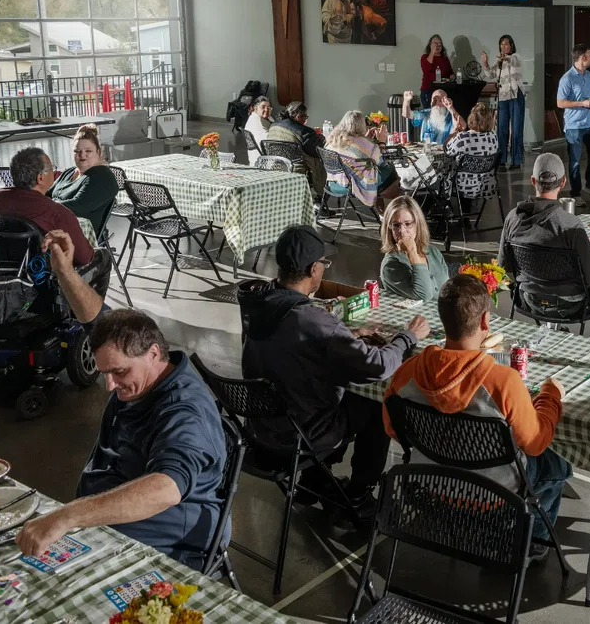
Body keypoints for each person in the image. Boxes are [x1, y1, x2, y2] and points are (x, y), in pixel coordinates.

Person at [237, 225, 430, 514]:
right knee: (377, 406)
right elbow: (377, 367)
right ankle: (359, 493)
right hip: (300, 434)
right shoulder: (311, 319)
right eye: (323, 264)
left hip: (260, 428)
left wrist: (344, 336)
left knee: (347, 398)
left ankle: (314, 479)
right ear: (313, 269)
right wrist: (408, 337)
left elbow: (293, 344)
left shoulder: (257, 303)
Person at [16, 309, 228, 569]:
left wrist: (69, 516)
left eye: (119, 372)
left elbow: (167, 488)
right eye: (104, 373)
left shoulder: (185, 412)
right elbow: (92, 315)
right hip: (116, 517)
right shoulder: (140, 384)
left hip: (173, 537)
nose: (110, 385)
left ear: (153, 354)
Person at [383, 275, 571, 558]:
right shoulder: (503, 381)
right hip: (493, 496)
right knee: (556, 463)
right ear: (485, 320)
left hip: (428, 481)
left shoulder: (406, 372)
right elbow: (535, 444)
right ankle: (533, 543)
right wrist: (550, 396)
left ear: (442, 319)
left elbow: (394, 430)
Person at [498, 153, 590, 340]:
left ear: (533, 181)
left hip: (527, 299)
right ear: (563, 182)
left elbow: (503, 266)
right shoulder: (570, 225)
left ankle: (557, 332)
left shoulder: (512, 218)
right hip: (571, 306)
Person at [0, 147, 93, 265]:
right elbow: (83, 258)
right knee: (102, 256)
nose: (54, 172)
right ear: (40, 178)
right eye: (51, 169)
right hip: (38, 273)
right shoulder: (57, 212)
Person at [46, 124, 117, 233]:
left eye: (88, 151)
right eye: (77, 151)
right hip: (52, 224)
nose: (82, 155)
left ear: (98, 152)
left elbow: (78, 207)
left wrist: (45, 206)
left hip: (77, 235)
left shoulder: (103, 176)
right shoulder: (69, 172)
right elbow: (46, 195)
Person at [556, 44, 590, 208]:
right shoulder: (567, 78)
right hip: (574, 126)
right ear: (583, 57)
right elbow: (560, 103)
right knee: (575, 161)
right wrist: (581, 103)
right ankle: (575, 193)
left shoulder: (589, 76)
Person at [325, 110, 401, 209]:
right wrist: (381, 142)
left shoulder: (333, 140)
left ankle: (381, 210)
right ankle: (391, 209)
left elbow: (353, 150)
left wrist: (366, 139)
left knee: (376, 173)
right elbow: (381, 162)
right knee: (390, 174)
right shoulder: (364, 144)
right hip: (354, 185)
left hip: (334, 183)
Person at [380, 196, 450, 301]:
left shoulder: (433, 252)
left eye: (407, 224)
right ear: (389, 228)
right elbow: (424, 295)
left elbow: (448, 289)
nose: (402, 231)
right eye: (396, 225)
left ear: (418, 224)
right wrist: (412, 253)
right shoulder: (390, 266)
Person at [481, 35, 525, 170]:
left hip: (516, 96)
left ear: (511, 46)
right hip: (503, 97)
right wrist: (485, 63)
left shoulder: (516, 57)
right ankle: (501, 160)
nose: (503, 46)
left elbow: (513, 60)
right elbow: (490, 74)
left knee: (516, 129)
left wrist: (505, 58)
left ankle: (516, 160)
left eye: (506, 44)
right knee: (501, 129)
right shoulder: (499, 62)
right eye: (501, 44)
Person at [266, 100, 327, 195]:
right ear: (298, 117)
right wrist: (321, 138)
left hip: (274, 165)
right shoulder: (303, 131)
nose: (306, 119)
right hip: (294, 167)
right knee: (321, 162)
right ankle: (321, 193)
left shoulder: (274, 125)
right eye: (305, 116)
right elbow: (315, 152)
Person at [444, 102, 499, 202]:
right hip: (486, 185)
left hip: (463, 186)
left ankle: (441, 204)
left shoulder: (463, 138)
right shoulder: (493, 137)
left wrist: (453, 132)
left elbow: (447, 150)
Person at [419, 34, 454, 107]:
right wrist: (432, 52)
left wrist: (452, 77)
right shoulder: (425, 57)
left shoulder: (444, 58)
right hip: (428, 90)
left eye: (439, 44)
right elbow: (426, 69)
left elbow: (450, 72)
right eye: (435, 44)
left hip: (443, 91)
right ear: (430, 45)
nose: (437, 46)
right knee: (430, 112)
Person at [244, 95, 273, 164]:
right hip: (261, 160)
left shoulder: (267, 118)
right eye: (263, 107)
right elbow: (265, 142)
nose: (266, 110)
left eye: (269, 107)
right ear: (255, 108)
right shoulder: (255, 121)